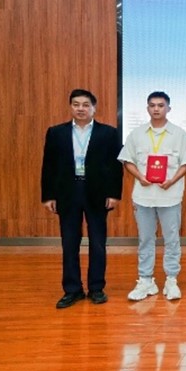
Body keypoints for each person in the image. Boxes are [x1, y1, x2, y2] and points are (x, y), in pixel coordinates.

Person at [41, 89, 123, 308]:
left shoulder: (108, 133)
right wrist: (48, 195)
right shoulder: (56, 132)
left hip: (97, 192)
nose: (81, 108)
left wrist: (114, 194)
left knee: (98, 242)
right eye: (76, 104)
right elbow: (48, 165)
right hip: (67, 192)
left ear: (93, 108)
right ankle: (72, 289)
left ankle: (96, 288)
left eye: (86, 105)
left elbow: (115, 166)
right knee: (69, 243)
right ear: (71, 107)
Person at [118, 91, 186, 301]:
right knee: (145, 239)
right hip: (143, 196)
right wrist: (140, 177)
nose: (156, 109)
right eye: (152, 105)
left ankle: (171, 280)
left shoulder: (179, 134)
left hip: (170, 196)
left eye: (161, 105)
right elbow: (127, 161)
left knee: (172, 239)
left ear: (168, 108)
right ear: (147, 108)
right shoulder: (136, 134)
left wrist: (172, 180)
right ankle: (146, 280)